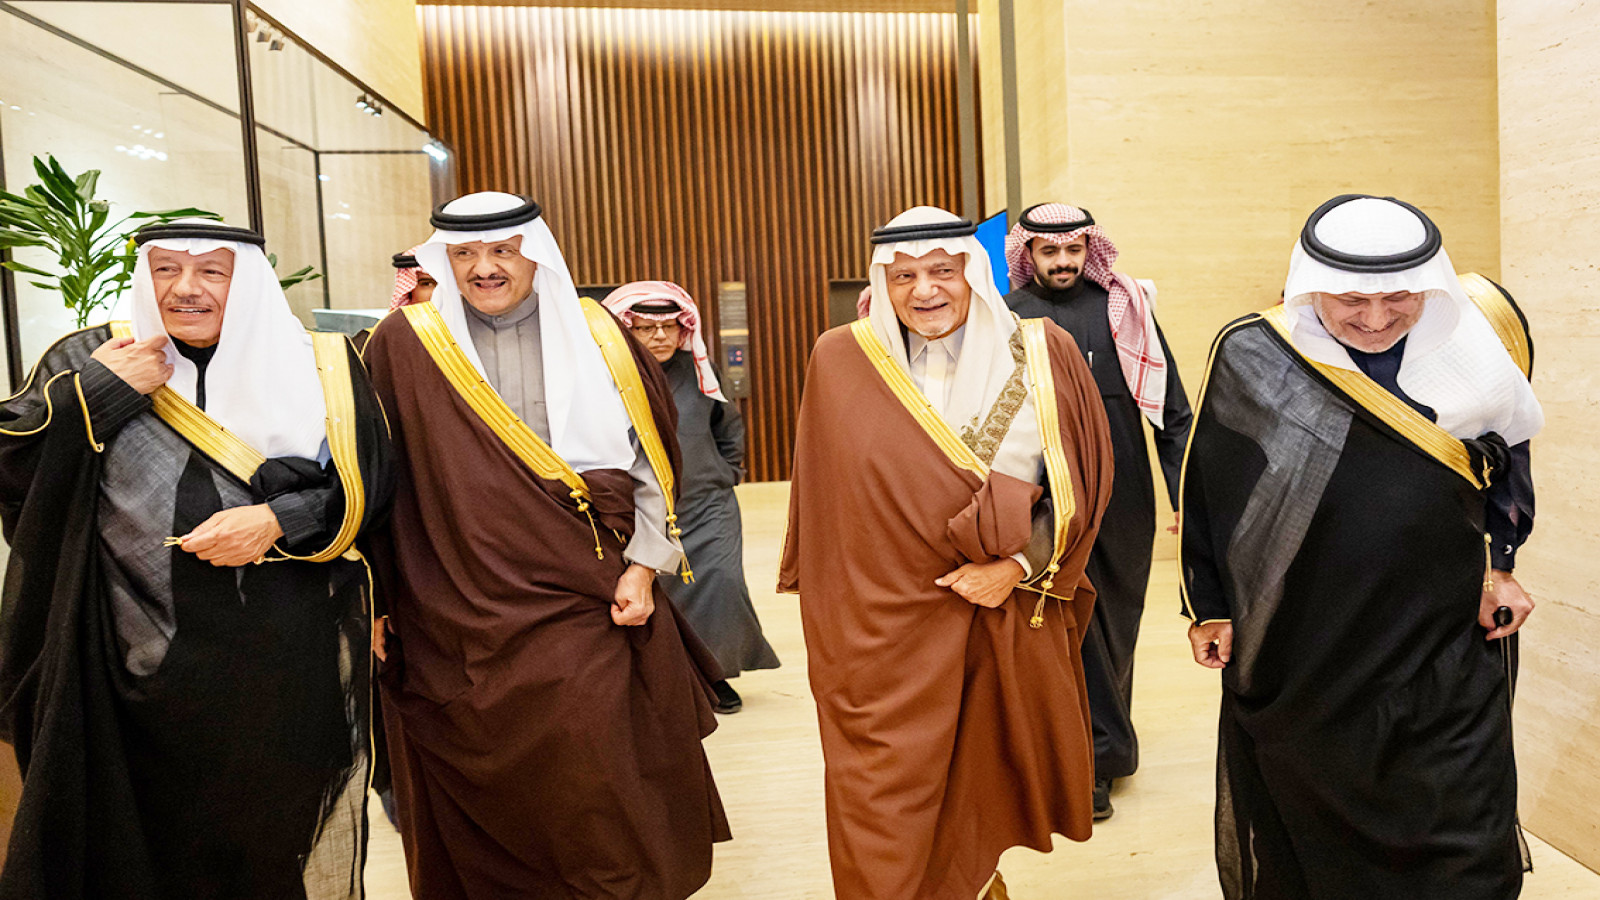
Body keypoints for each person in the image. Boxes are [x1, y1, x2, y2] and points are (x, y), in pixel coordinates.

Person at [0, 219, 391, 898]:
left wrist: (278, 519)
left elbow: (372, 484)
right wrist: (98, 393)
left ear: (248, 280)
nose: (185, 288)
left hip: (277, 669)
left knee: (264, 852)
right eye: (166, 269)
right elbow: (12, 466)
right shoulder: (90, 356)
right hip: (124, 670)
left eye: (212, 270)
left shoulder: (321, 365)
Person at [362, 192, 729, 899]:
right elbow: (378, 480)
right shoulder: (403, 344)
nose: (484, 268)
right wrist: (378, 598)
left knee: (598, 770)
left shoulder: (598, 334)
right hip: (453, 604)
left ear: (535, 254)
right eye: (464, 254)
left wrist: (645, 566)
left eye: (502, 251)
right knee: (489, 784)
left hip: (586, 593)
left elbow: (650, 458)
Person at [1180, 194, 1543, 899]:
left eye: (1399, 299)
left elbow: (1508, 461)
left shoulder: (1479, 335)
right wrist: (1211, 605)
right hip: (1311, 638)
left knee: (1466, 825)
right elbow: (1211, 488)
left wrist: (1501, 566)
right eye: (1351, 301)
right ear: (1311, 285)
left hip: (1445, 632)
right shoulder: (1256, 351)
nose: (1376, 320)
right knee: (1322, 830)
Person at [780, 206, 1114, 900]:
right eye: (903, 276)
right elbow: (824, 510)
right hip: (881, 639)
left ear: (973, 272)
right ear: (882, 283)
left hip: (997, 615)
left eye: (941, 270)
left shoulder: (1040, 351)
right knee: (879, 805)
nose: (924, 290)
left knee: (979, 791)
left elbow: (1082, 483)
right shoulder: (839, 359)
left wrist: (1015, 569)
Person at [1004, 203, 1193, 819]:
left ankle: (1096, 751)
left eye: (1073, 250)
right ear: (1028, 254)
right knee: (1055, 622)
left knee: (1112, 626)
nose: (1063, 262)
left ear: (1089, 250)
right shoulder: (1006, 314)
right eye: (1049, 252)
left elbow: (1172, 413)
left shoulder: (1125, 309)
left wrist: (1189, 499)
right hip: (1042, 493)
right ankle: (1087, 759)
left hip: (1123, 495)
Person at [603, 281, 780, 714]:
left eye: (669, 327)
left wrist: (727, 471)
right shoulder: (607, 373)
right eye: (647, 328)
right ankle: (671, 678)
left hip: (707, 503)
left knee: (721, 582)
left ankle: (715, 674)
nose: (660, 337)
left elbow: (727, 425)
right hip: (638, 512)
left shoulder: (701, 369)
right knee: (657, 594)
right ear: (627, 329)